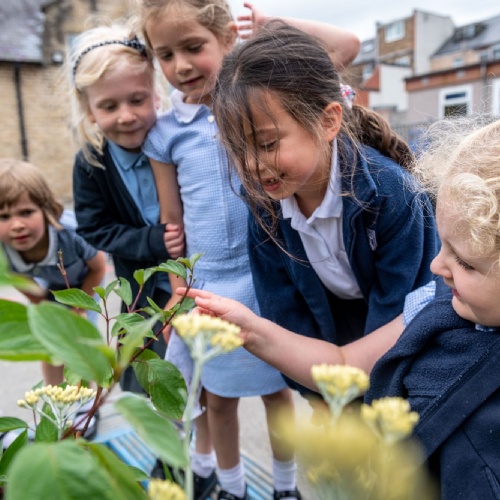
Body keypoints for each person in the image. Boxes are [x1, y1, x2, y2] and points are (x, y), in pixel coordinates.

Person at [180, 116, 500, 499]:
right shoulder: (433, 301)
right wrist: (252, 331)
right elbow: (346, 364)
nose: (436, 266)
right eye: (442, 245)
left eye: (464, 263)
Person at [133, 1, 361, 499]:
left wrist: (263, 26)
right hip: (209, 283)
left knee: (277, 393)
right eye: (165, 55)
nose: (181, 66)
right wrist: (177, 288)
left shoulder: (257, 104)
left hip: (268, 276)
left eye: (194, 48)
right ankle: (232, 489)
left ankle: (284, 488)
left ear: (226, 40)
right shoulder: (165, 134)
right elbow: (172, 219)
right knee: (219, 399)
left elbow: (345, 47)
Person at [210, 21, 438, 394]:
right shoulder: (265, 209)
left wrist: (366, 399)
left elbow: (403, 314)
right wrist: (317, 394)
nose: (250, 164)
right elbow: (285, 319)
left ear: (328, 121)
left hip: (404, 341)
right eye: (236, 149)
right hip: (337, 333)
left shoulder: (390, 194)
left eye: (266, 144)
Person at [68, 21, 184, 393]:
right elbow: (94, 228)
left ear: (155, 94)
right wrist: (152, 241)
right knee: (149, 376)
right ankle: (164, 446)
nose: (126, 116)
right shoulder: (91, 163)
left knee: (199, 373)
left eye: (136, 100)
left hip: (194, 279)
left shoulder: (178, 142)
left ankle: (204, 447)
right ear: (89, 110)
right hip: (143, 289)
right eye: (108, 106)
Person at [0, 159, 107, 387]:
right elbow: (17, 278)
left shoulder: (69, 235)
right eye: (4, 217)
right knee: (49, 341)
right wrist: (40, 304)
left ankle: (83, 402)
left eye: (26, 212)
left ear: (46, 209)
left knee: (79, 341)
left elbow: (98, 266)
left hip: (85, 283)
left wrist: (79, 308)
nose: (16, 225)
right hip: (48, 286)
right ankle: (54, 394)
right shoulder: (4, 249)